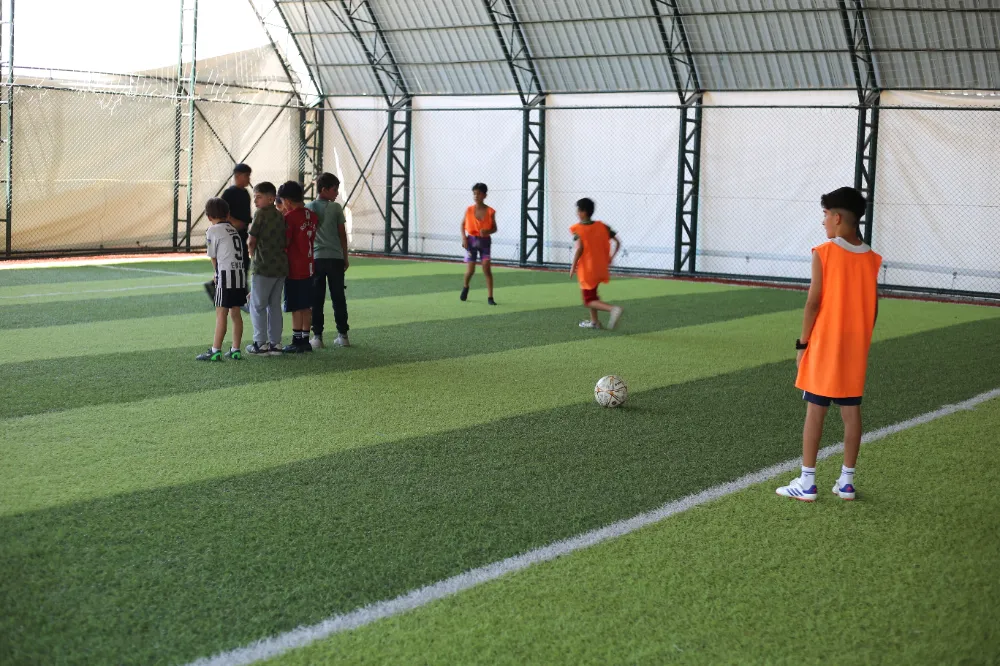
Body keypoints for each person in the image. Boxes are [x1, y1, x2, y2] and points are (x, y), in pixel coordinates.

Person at [777, 187, 882, 502]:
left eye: (824, 215)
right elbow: (874, 308)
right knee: (851, 413)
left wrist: (802, 344)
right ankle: (846, 482)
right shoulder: (872, 258)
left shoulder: (824, 252)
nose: (823, 221)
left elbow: (813, 302)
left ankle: (807, 482)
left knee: (815, 411)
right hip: (855, 347)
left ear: (837, 217)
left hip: (825, 344)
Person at [196, 197, 247, 361]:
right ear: (228, 214)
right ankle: (235, 349)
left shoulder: (213, 230)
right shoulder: (233, 229)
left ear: (209, 216)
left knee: (221, 313)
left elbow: (213, 256)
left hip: (226, 275)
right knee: (236, 313)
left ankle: (215, 350)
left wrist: (216, 273)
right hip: (240, 275)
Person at [307, 173, 351, 349]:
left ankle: (317, 337)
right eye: (334, 189)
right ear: (324, 189)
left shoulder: (309, 207)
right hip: (335, 259)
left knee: (316, 298)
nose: (337, 193)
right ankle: (343, 335)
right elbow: (342, 235)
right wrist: (345, 257)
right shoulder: (336, 208)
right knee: (338, 297)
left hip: (316, 259)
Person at [245, 182, 288, 356]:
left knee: (258, 306)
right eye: (254, 197)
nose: (255, 200)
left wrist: (252, 255)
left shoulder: (260, 214)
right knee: (274, 306)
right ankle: (275, 344)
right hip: (280, 267)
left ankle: (260, 344)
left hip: (263, 267)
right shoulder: (280, 215)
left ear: (271, 199)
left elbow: (251, 240)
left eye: (259, 197)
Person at [569, 198, 623, 330]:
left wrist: (573, 266)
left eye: (578, 210)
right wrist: (611, 257)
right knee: (592, 293)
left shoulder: (578, 229)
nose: (577, 213)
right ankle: (594, 322)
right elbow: (618, 242)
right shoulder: (602, 226)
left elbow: (580, 249)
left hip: (587, 269)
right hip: (600, 267)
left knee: (588, 301)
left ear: (583, 212)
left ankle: (613, 309)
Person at [277, 180, 318, 354]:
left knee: (295, 306)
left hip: (294, 267)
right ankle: (305, 341)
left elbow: (286, 242)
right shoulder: (312, 216)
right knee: (306, 305)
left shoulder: (289, 217)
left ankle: (296, 340)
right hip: (309, 266)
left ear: (287, 201)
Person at [204, 163, 253, 304]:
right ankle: (220, 286)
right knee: (232, 263)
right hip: (230, 235)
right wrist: (234, 223)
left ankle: (241, 292)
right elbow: (221, 213)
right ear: (237, 176)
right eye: (246, 176)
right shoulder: (229, 193)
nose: (248, 179)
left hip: (242, 234)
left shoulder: (245, 193)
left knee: (243, 262)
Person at [460, 182, 497, 305]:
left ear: (484, 195)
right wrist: (464, 238)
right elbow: (462, 225)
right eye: (474, 193)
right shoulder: (469, 210)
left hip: (485, 242)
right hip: (471, 242)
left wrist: (487, 231)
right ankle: (466, 286)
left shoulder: (490, 211)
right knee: (470, 270)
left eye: (479, 193)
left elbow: (495, 228)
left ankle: (490, 297)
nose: (476, 196)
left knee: (486, 268)